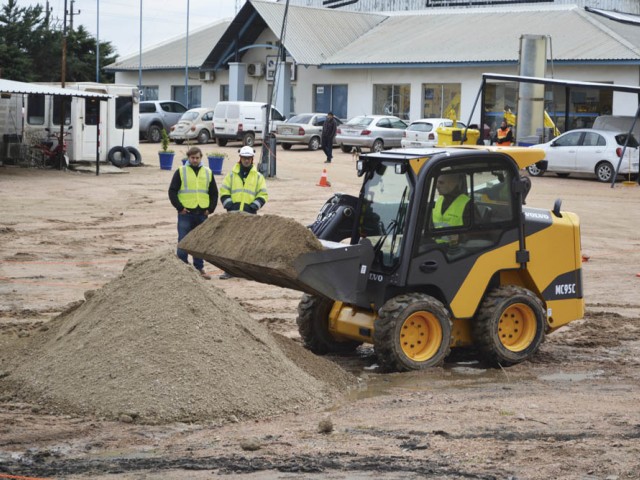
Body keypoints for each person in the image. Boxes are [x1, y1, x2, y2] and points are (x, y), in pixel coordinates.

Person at [218, 145, 269, 279]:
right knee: (231, 243)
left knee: (247, 244)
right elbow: (224, 191)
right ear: (240, 158)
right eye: (244, 158)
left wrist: (253, 206)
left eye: (249, 158)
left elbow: (263, 194)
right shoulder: (231, 175)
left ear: (252, 159)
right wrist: (229, 205)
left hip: (250, 215)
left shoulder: (258, 177)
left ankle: (246, 272)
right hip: (233, 214)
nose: (246, 160)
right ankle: (229, 271)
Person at [168, 146, 218, 279]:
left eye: (197, 158)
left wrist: (210, 209)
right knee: (183, 241)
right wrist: (179, 207)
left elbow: (214, 193)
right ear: (188, 158)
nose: (195, 160)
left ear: (201, 158)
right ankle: (182, 268)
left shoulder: (208, 172)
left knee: (199, 243)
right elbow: (172, 191)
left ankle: (199, 268)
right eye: (192, 158)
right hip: (186, 213)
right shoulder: (181, 171)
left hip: (202, 213)